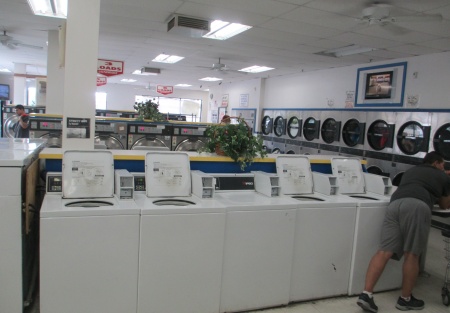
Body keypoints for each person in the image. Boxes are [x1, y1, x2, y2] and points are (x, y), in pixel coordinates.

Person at [357, 151, 450, 312]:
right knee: (412, 254)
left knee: (384, 251)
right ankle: (405, 299)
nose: (444, 167)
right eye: (443, 164)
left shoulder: (411, 171)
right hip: (417, 206)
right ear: (436, 163)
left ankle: (366, 294)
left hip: (395, 204)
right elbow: (444, 205)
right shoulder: (443, 176)